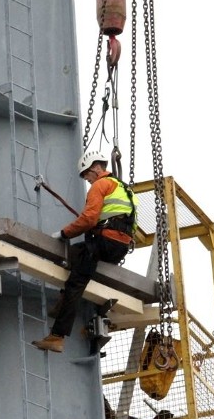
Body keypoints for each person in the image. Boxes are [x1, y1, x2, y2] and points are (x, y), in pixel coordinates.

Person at [32, 150, 137, 353]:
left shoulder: (100, 185)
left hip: (104, 242)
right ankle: (63, 302)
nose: (88, 181)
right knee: (75, 255)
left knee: (76, 283)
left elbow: (89, 219)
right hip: (120, 246)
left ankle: (57, 336)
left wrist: (64, 233)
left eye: (87, 175)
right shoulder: (124, 189)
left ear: (96, 168)